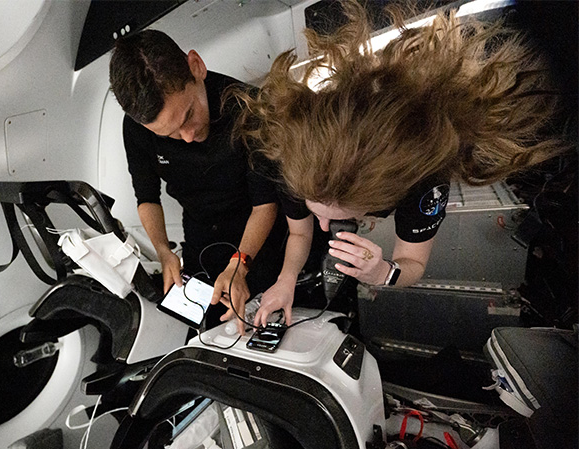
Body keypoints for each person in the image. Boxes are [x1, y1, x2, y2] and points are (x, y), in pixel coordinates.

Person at [232, 1, 571, 327]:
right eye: (317, 210)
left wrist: (383, 273)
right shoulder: (300, 162)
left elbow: (414, 262)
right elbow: (300, 230)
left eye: (339, 216)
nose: (323, 226)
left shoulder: (423, 184)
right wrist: (285, 282)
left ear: (383, 201)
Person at [109, 30, 285, 332]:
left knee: (261, 327)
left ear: (196, 66)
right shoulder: (137, 129)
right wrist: (163, 251)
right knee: (204, 334)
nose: (188, 137)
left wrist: (239, 264)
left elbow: (265, 204)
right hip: (200, 235)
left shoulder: (249, 110)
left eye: (189, 114)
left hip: (259, 234)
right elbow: (147, 198)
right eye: (171, 134)